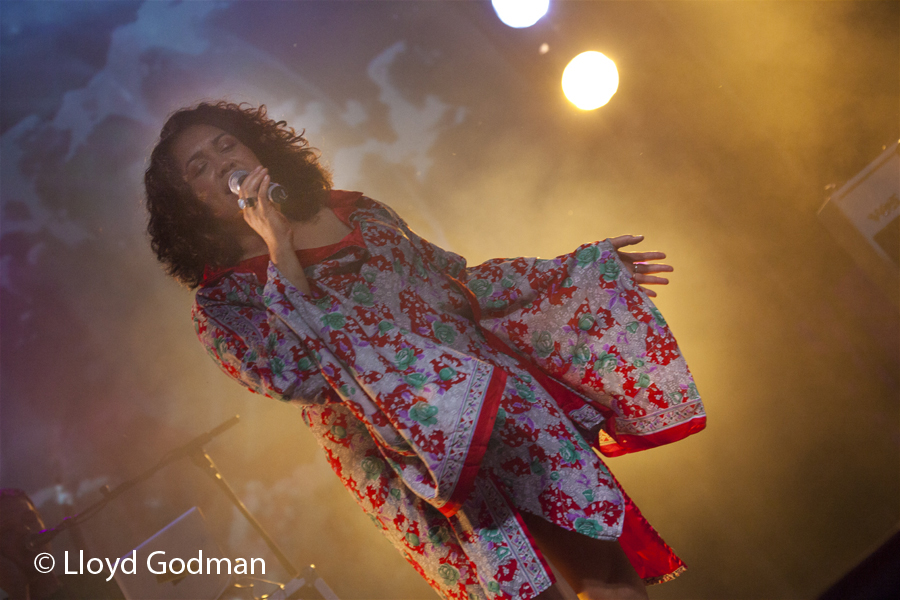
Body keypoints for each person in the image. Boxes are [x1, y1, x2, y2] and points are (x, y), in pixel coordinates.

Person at [145, 102, 706, 600]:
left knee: (605, 567)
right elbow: (294, 378)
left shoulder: (360, 213)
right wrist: (278, 251)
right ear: (189, 204)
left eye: (226, 144)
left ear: (256, 148)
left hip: (497, 403)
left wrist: (579, 270)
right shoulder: (223, 303)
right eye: (198, 166)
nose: (221, 162)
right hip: (413, 455)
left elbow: (458, 285)